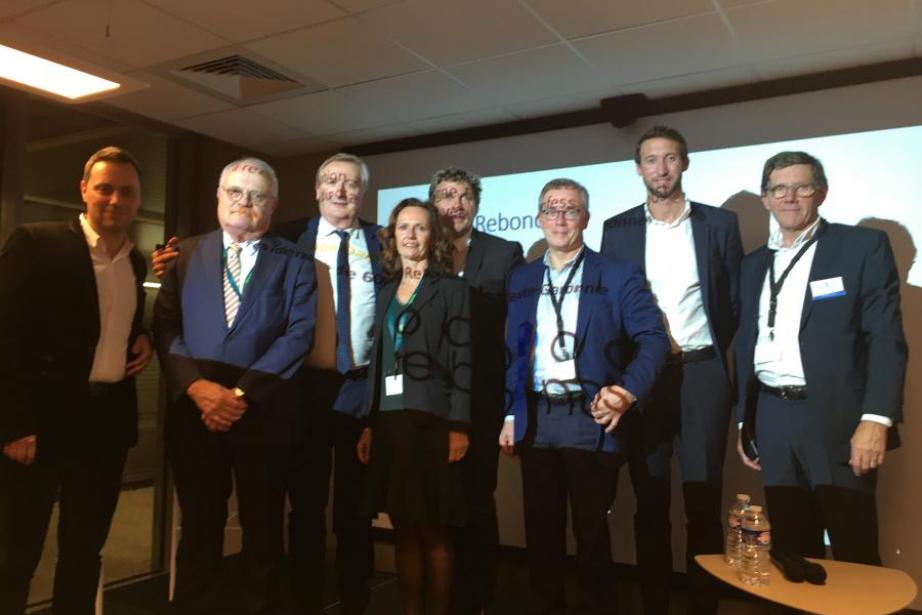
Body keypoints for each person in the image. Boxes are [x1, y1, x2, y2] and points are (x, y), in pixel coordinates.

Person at [153, 153, 382, 614]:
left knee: (263, 528)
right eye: (235, 192)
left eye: (257, 196)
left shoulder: (297, 260)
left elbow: (299, 333)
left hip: (264, 405)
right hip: (196, 406)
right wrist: (198, 389)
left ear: (273, 205)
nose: (245, 202)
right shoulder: (186, 254)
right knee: (200, 526)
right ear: (218, 197)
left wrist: (240, 394)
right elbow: (165, 326)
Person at [500, 179, 669, 615]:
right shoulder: (520, 279)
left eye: (570, 209)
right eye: (551, 209)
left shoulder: (617, 274)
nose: (559, 218)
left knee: (591, 534)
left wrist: (628, 391)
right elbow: (513, 353)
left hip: (590, 416)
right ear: (538, 219)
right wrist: (510, 413)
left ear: (586, 219)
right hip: (537, 416)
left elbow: (652, 338)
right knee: (540, 532)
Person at [0, 146, 152, 615]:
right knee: (15, 554)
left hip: (104, 427)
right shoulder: (35, 241)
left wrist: (141, 336)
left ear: (137, 199)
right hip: (39, 428)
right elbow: (5, 336)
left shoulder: (135, 261)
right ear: (84, 190)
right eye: (105, 188)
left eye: (126, 191)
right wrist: (14, 423)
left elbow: (109, 321)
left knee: (84, 554)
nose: (115, 199)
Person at [735, 151, 906, 565]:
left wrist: (876, 420)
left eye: (802, 186)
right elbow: (746, 343)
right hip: (773, 417)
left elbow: (884, 338)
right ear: (766, 198)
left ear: (821, 193)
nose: (790, 197)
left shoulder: (859, 247)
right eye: (779, 188)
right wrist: (747, 419)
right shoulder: (753, 264)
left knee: (854, 548)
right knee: (791, 552)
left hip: (837, 418)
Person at [600, 125, 742, 615]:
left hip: (702, 374)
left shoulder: (719, 224)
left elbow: (732, 303)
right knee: (651, 502)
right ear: (637, 168)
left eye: (670, 159)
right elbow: (613, 311)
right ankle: (654, 605)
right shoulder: (615, 230)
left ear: (685, 163)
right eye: (651, 160)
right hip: (646, 377)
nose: (661, 169)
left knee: (704, 504)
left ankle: (704, 607)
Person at [357, 198, 471, 615]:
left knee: (435, 531)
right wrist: (369, 424)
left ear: (433, 236)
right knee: (403, 529)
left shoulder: (452, 289)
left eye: (419, 227)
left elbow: (463, 358)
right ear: (392, 236)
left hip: (434, 423)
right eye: (402, 227)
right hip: (389, 422)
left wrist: (459, 424)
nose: (410, 235)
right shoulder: (386, 290)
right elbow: (379, 361)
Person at [428, 167, 523, 615]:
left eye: (464, 195)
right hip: (427, 402)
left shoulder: (505, 253)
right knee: (434, 501)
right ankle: (438, 595)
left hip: (482, 400)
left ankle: (478, 597)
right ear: (434, 205)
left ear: (476, 204)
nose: (456, 204)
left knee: (476, 500)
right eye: (447, 195)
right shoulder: (418, 250)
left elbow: (517, 333)